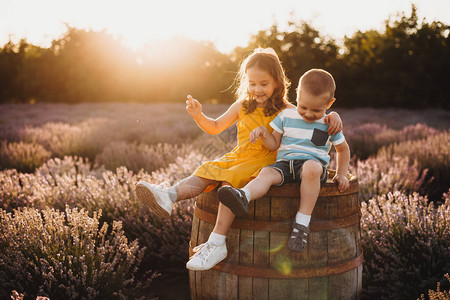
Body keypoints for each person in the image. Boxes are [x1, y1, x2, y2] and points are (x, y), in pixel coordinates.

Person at [135, 49, 343, 271]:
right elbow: (215, 127)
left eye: (264, 84)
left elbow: (313, 115)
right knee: (207, 171)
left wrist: (334, 116)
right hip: (239, 156)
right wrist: (199, 116)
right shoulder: (241, 106)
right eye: (252, 84)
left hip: (266, 160)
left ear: (277, 82)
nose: (257, 89)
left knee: (229, 183)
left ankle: (217, 242)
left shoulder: (287, 109)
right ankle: (168, 195)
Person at [218, 68, 351, 252]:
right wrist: (264, 134)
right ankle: (243, 195)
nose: (308, 114)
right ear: (297, 95)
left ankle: (301, 224)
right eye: (303, 107)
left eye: (316, 110)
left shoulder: (330, 123)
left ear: (330, 103)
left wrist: (341, 174)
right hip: (285, 164)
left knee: (311, 167)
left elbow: (343, 149)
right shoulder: (286, 116)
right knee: (266, 173)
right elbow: (274, 144)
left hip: (312, 166)